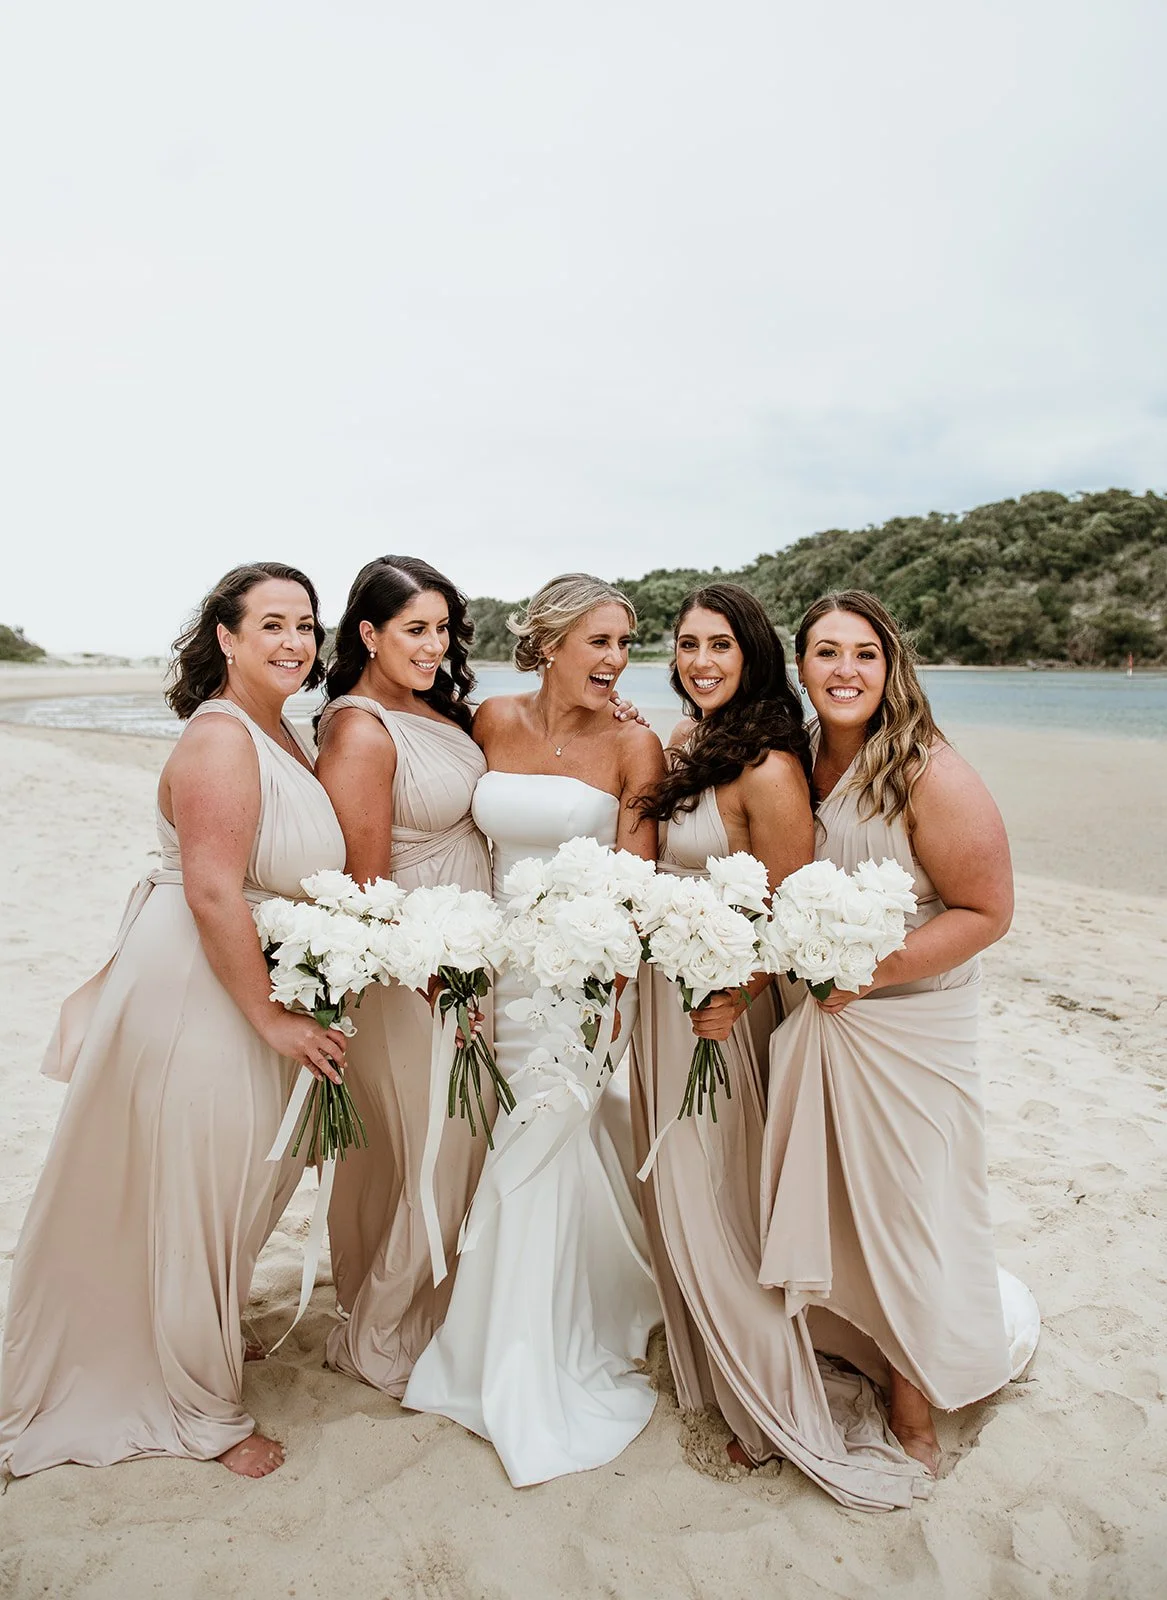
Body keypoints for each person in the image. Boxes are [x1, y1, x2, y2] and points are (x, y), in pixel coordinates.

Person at [0, 563, 348, 1480]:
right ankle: (201, 1411)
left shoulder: (284, 733)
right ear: (225, 638)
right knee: (200, 1185)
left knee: (229, 1183)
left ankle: (190, 1338)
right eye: (270, 624)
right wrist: (271, 1018)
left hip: (237, 978)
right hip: (200, 986)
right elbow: (210, 888)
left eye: (306, 625)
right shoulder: (222, 739)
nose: (294, 642)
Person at [631, 584, 927, 1510]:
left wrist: (731, 996)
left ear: (756, 656)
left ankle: (771, 1408)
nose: (700, 660)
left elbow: (787, 920)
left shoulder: (766, 767)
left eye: (720, 644)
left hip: (718, 1015)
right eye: (685, 644)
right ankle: (722, 1373)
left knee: (720, 1203)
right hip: (658, 1001)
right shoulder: (686, 745)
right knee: (679, 1200)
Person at [759, 590, 1039, 1476]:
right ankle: (845, 1342)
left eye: (864, 655)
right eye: (826, 653)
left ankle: (912, 1404)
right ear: (799, 665)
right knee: (832, 1198)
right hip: (820, 1024)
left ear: (890, 668)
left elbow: (987, 911)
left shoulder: (925, 770)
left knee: (910, 1211)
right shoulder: (793, 760)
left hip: (913, 1026)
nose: (845, 672)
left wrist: (864, 973)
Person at [403, 573, 664, 1486]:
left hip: (579, 979)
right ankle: (558, 1311)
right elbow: (463, 838)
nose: (615, 660)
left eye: (624, 645)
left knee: (538, 1136)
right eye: (598, 641)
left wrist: (613, 987)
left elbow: (637, 887)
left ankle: (512, 1357)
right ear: (548, 642)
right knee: (514, 1139)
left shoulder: (639, 745)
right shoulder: (490, 722)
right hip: (496, 966)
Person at [315, 556, 495, 1396]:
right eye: (414, 629)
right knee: (438, 1147)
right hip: (415, 972)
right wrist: (429, 976)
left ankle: (401, 1306)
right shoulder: (358, 729)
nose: (433, 646)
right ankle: (380, 1332)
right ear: (368, 633)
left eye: (442, 630)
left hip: (466, 957)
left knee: (436, 1146)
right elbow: (363, 883)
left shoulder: (430, 710)